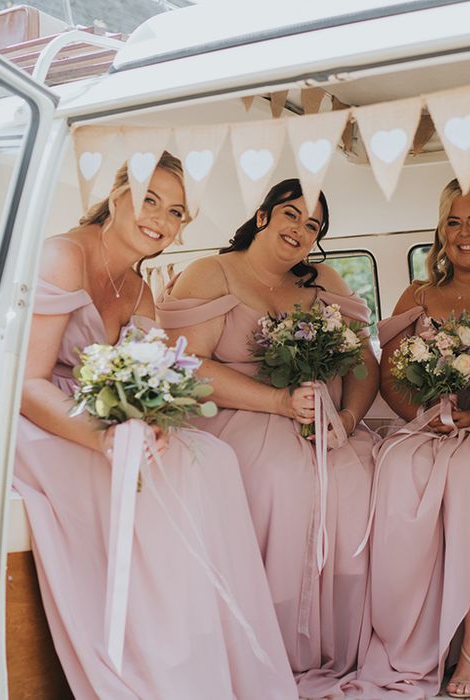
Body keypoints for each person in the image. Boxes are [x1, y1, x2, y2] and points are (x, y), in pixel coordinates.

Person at [13, 153, 297, 700]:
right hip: (42, 422)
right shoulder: (61, 258)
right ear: (117, 194)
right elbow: (29, 385)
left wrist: (151, 418)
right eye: (150, 200)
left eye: (177, 213)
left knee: (210, 460)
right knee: (159, 480)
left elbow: (152, 376)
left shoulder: (142, 292)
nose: (161, 221)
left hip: (109, 415)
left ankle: (207, 662)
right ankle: (154, 670)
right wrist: (104, 436)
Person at [156, 178, 380, 698]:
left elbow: (364, 361)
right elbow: (186, 366)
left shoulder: (322, 279)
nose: (300, 230)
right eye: (291, 215)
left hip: (323, 421)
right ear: (263, 217)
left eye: (313, 225)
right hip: (239, 413)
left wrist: (347, 419)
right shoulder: (212, 273)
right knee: (283, 479)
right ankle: (273, 645)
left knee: (362, 474)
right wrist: (279, 402)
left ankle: (341, 646)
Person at [349, 175, 470, 699]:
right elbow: (389, 375)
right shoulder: (418, 295)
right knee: (396, 467)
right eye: (453, 221)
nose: (465, 232)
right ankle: (413, 641)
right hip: (430, 426)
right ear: (441, 231)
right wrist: (424, 414)